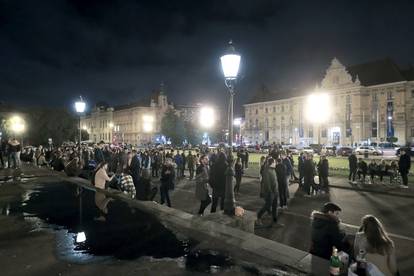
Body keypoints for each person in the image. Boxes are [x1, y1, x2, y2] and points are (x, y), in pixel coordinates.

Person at [257, 158, 279, 227]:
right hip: (270, 193)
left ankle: (275, 221)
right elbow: (267, 183)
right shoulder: (266, 171)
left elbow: (275, 181)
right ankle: (258, 217)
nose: (275, 163)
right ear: (271, 163)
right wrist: (270, 192)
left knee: (275, 207)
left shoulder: (273, 170)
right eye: (274, 162)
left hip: (275, 191)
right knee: (267, 206)